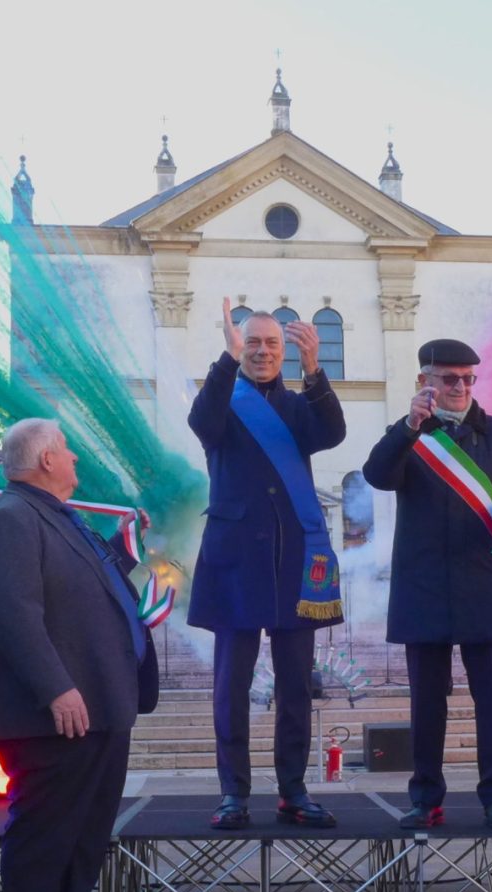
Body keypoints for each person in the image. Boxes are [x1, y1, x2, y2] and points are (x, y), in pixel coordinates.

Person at [0, 419, 158, 892]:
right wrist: (55, 686)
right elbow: (15, 614)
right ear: (47, 460)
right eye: (69, 452)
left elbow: (89, 586)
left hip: (102, 701)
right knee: (46, 831)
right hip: (53, 710)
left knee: (86, 830)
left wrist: (132, 550)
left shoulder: (59, 516)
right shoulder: (10, 520)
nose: (76, 459)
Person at [362, 339, 492, 830]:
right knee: (426, 703)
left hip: (482, 583)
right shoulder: (410, 433)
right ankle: (426, 799)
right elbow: (377, 475)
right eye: (449, 378)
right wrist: (409, 427)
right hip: (424, 586)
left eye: (467, 378)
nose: (460, 387)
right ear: (425, 382)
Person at [188, 298, 345, 830]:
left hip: (293, 562)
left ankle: (293, 790)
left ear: (284, 352)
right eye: (252, 343)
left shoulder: (299, 406)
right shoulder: (223, 399)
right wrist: (225, 360)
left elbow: (331, 435)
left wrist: (316, 369)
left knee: (296, 686)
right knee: (231, 686)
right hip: (235, 561)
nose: (261, 352)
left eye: (270, 344)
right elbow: (201, 423)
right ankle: (234, 792)